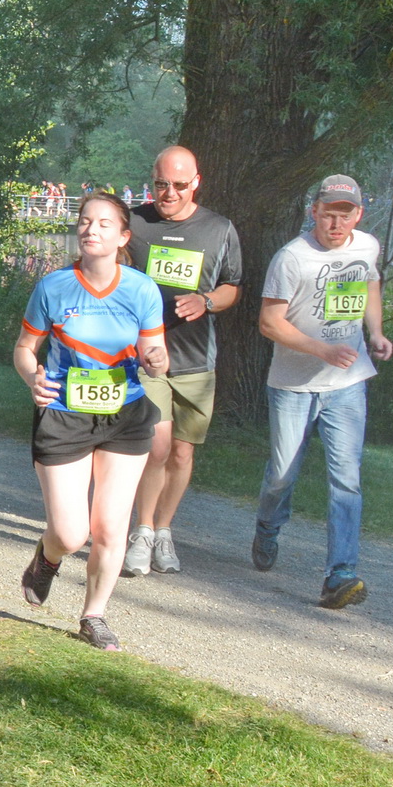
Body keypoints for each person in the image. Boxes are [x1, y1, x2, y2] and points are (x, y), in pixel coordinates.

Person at [13, 192, 167, 651]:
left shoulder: (141, 289)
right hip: (64, 415)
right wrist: (31, 378)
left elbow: (156, 356)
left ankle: (93, 614)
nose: (90, 229)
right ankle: (49, 555)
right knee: (70, 532)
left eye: (103, 223)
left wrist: (156, 359)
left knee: (110, 526)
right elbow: (25, 348)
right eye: (84, 221)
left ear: (123, 237)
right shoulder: (54, 287)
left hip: (125, 416)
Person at [252, 174, 393, 609]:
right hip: (294, 385)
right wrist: (322, 350)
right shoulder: (292, 258)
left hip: (347, 385)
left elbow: (370, 282)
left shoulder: (366, 246)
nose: (336, 223)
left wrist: (376, 332)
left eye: (345, 214)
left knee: (346, 479)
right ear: (313, 212)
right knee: (282, 475)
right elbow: (269, 323)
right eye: (328, 213)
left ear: (358, 215)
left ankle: (341, 574)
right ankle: (267, 527)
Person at [122, 146, 244, 578]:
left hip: (196, 359)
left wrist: (207, 300)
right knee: (155, 446)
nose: (167, 193)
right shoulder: (134, 222)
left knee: (181, 452)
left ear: (196, 182)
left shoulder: (219, 228)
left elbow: (233, 285)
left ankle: (164, 530)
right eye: (160, 184)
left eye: (177, 185)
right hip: (148, 357)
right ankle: (140, 531)